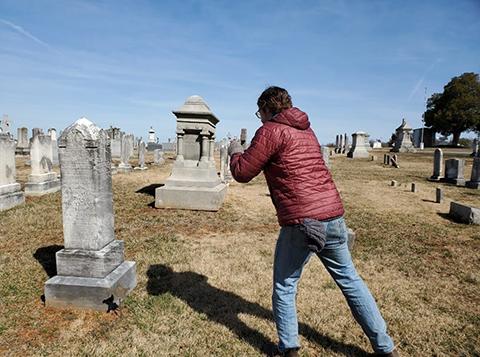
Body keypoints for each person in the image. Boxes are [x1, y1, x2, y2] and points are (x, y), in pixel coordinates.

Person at [228, 86, 398, 357]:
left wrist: (235, 151)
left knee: (285, 285)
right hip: (333, 215)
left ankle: (289, 349)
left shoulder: (270, 130)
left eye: (260, 112)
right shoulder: (307, 130)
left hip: (303, 222)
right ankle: (385, 348)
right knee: (350, 280)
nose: (259, 117)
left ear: (268, 109)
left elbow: (243, 172)